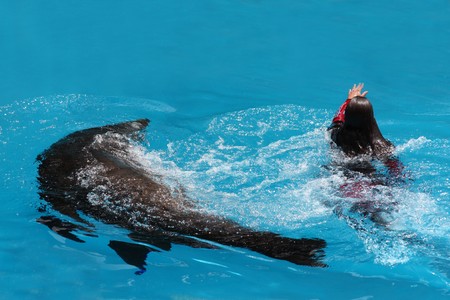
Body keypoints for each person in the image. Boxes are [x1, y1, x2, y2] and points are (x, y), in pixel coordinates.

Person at [328, 83, 394, 158]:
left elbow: (337, 118)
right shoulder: (382, 145)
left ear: (347, 115)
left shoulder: (336, 135)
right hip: (368, 167)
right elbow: (395, 167)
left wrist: (349, 100)